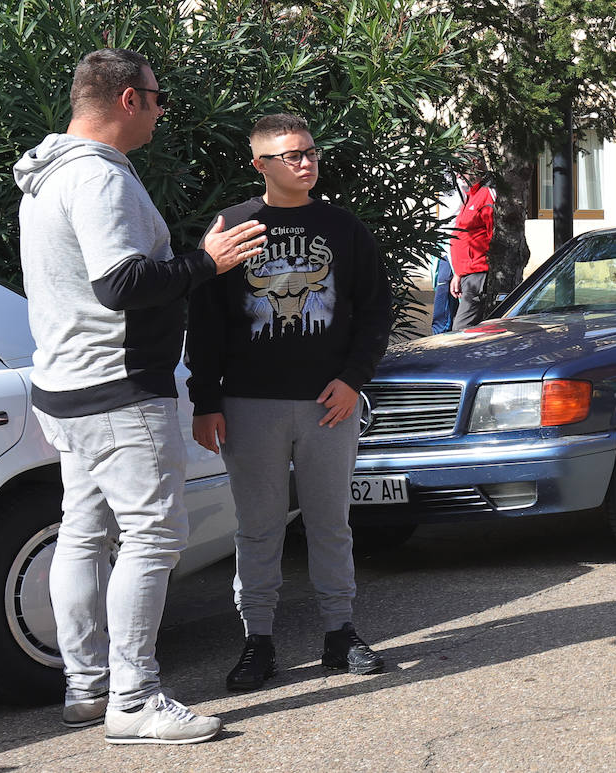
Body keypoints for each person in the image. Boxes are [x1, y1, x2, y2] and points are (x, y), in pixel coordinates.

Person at [14, 48, 266, 743]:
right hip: (118, 388)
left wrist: (190, 259)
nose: (160, 111)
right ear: (127, 99)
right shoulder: (99, 178)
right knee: (154, 534)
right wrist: (206, 263)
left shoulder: (46, 174)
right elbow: (120, 285)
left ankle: (88, 688)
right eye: (156, 98)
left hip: (65, 381)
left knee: (85, 532)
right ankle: (135, 698)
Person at [185, 113, 393, 691]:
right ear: (260, 165)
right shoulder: (233, 226)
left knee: (331, 523)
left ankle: (340, 634)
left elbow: (376, 309)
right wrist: (206, 401)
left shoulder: (343, 228)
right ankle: (258, 643)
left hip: (330, 404)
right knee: (258, 529)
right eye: (290, 156)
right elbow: (203, 323)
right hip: (250, 405)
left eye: (310, 152)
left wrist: (354, 379)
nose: (305, 163)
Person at [449, 158, 495, 329]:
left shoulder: (487, 194)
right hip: (467, 274)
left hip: (478, 274)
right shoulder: (471, 194)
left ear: (476, 168)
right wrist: (458, 274)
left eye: (462, 170)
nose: (458, 176)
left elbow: (495, 237)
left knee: (460, 331)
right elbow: (465, 236)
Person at [430, 179, 463, 334]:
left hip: (458, 238)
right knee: (443, 287)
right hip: (444, 239)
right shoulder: (443, 174)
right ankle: (440, 331)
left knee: (449, 289)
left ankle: (442, 331)